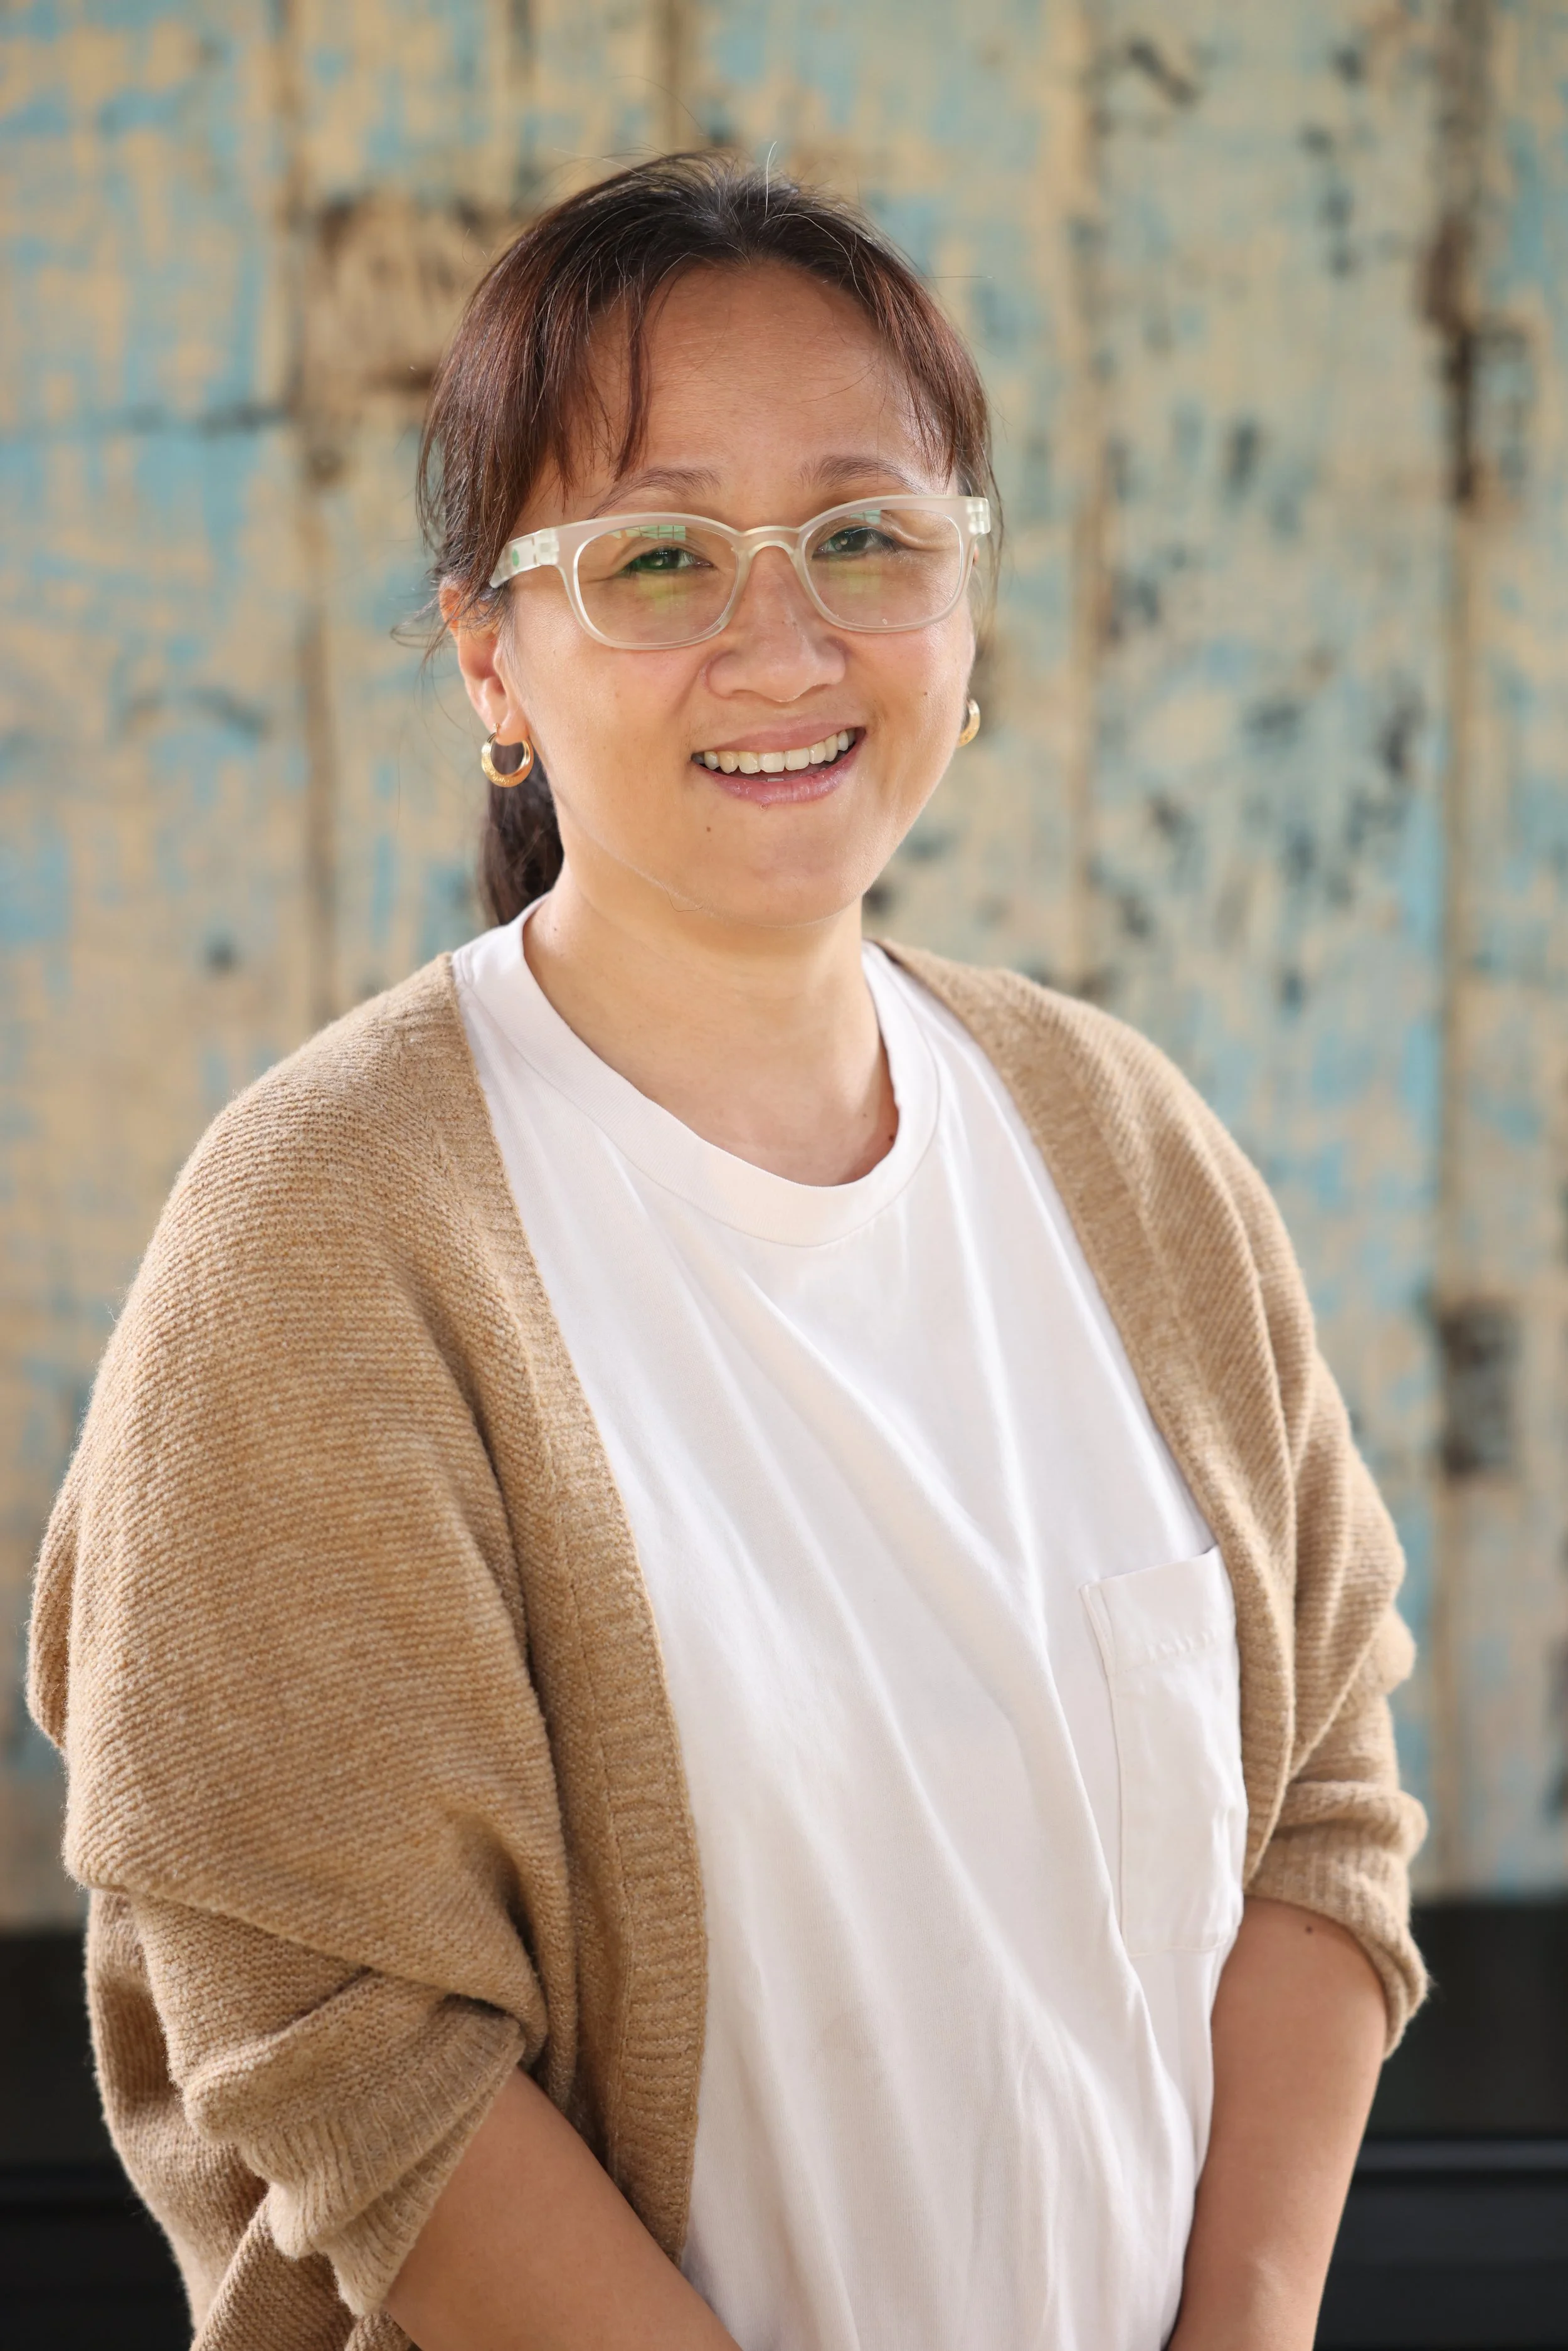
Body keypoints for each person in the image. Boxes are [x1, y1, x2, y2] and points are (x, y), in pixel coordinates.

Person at [29, 155, 1426, 2351]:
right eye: (660, 555)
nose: (781, 642)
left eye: (864, 537)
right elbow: (347, 2041)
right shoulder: (322, 1234)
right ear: (494, 657)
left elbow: (1321, 1805)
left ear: (967, 616)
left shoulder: (1124, 1146)